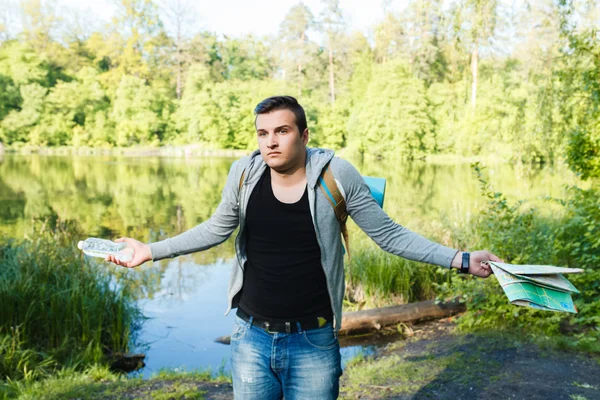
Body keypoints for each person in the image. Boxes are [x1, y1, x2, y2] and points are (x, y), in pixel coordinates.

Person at [107, 95, 502, 400]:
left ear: (304, 135)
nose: (270, 142)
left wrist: (462, 260)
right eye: (263, 134)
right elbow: (216, 229)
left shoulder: (337, 175)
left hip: (313, 341)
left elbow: (389, 234)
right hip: (250, 338)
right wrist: (151, 250)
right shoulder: (244, 173)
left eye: (282, 131)